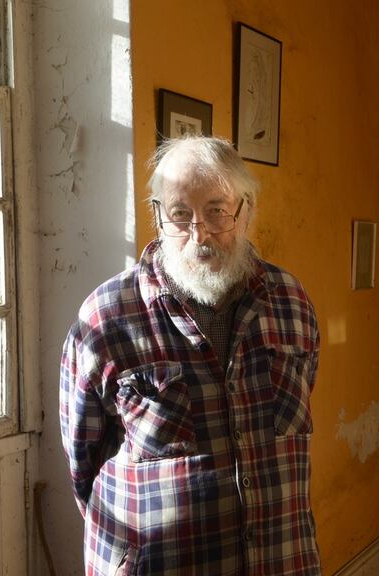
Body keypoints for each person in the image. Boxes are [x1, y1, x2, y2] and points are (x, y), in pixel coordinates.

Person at [60, 136, 321, 575]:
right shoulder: (106, 319)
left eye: (217, 211)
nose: (199, 234)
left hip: (282, 560)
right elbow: (82, 466)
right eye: (180, 215)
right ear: (157, 215)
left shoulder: (291, 303)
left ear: (247, 209)